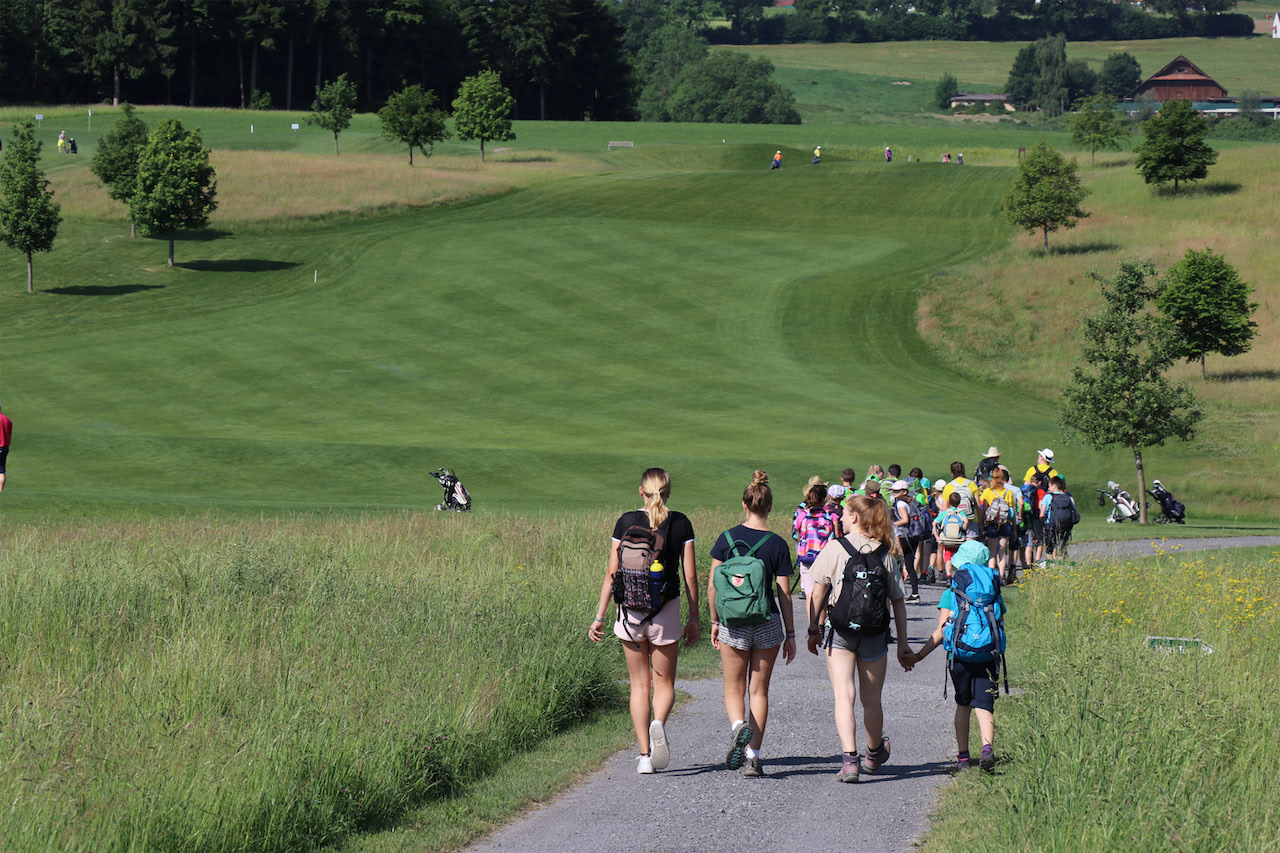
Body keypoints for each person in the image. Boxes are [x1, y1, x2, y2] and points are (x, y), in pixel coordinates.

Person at [589, 468, 700, 774]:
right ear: (668, 492)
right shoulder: (680, 523)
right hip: (665, 612)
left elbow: (612, 574)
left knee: (639, 686)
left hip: (630, 614)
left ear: (641, 491)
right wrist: (694, 617)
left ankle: (644, 757)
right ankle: (658, 722)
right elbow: (690, 576)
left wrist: (599, 616)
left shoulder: (625, 521)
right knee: (664, 683)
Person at [806, 494, 913, 783]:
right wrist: (903, 643)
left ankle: (849, 761)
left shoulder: (835, 548)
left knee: (844, 695)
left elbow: (817, 593)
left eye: (844, 513)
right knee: (872, 700)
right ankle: (873, 753)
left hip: (840, 631)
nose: (840, 516)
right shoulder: (887, 552)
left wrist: (813, 629)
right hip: (875, 633)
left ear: (855, 517)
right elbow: (898, 602)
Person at [708, 470, 796, 777]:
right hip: (768, 620)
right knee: (759, 691)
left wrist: (714, 621)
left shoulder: (726, 539)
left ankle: (737, 726)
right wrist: (791, 633)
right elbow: (784, 593)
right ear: (770, 507)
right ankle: (753, 756)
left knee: (733, 688)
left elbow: (712, 587)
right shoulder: (777, 544)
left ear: (744, 505)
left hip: (733, 623)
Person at [905, 540, 1002, 773]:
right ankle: (987, 749)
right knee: (984, 704)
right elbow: (999, 621)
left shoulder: (952, 592)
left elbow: (942, 631)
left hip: (960, 656)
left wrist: (918, 656)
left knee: (963, 704)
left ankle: (963, 758)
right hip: (988, 653)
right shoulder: (992, 589)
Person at [794, 479, 839, 600]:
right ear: (825, 499)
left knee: (810, 594)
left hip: (807, 556)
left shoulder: (802, 514)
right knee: (822, 596)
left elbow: (797, 533)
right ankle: (821, 619)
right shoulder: (830, 516)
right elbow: (835, 536)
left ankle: (811, 619)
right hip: (824, 558)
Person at [980, 467, 1020, 584]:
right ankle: (1002, 577)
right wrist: (1014, 530)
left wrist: (982, 525)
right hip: (1005, 524)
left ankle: (992, 578)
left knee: (992, 553)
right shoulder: (1009, 493)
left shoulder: (987, 492)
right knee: (1002, 552)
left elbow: (983, 510)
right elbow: (1012, 512)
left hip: (992, 525)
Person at [890, 480, 920, 602]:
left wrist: (891, 524)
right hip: (911, 536)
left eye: (897, 491)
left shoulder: (900, 504)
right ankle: (914, 592)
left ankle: (914, 593)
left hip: (904, 536)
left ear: (904, 492)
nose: (894, 493)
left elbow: (905, 520)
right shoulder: (908, 502)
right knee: (910, 564)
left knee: (906, 563)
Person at [1041, 475, 1079, 560]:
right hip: (1065, 525)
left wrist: (1042, 523)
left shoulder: (1048, 497)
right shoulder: (1069, 498)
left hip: (1051, 524)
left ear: (1054, 486)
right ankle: (1061, 564)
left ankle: (1051, 564)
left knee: (1049, 548)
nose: (1048, 488)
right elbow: (1074, 513)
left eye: (1049, 486)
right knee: (1061, 546)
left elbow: (1042, 514)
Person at [941, 461, 979, 540]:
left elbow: (944, 509)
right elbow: (978, 506)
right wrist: (981, 524)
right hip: (971, 519)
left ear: (952, 473)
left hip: (955, 521)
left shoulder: (949, 486)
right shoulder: (972, 484)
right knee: (970, 548)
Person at [0, 403, 11, 492]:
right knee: (1, 470)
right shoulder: (7, 420)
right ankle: (1, 491)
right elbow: (9, 435)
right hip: (4, 447)